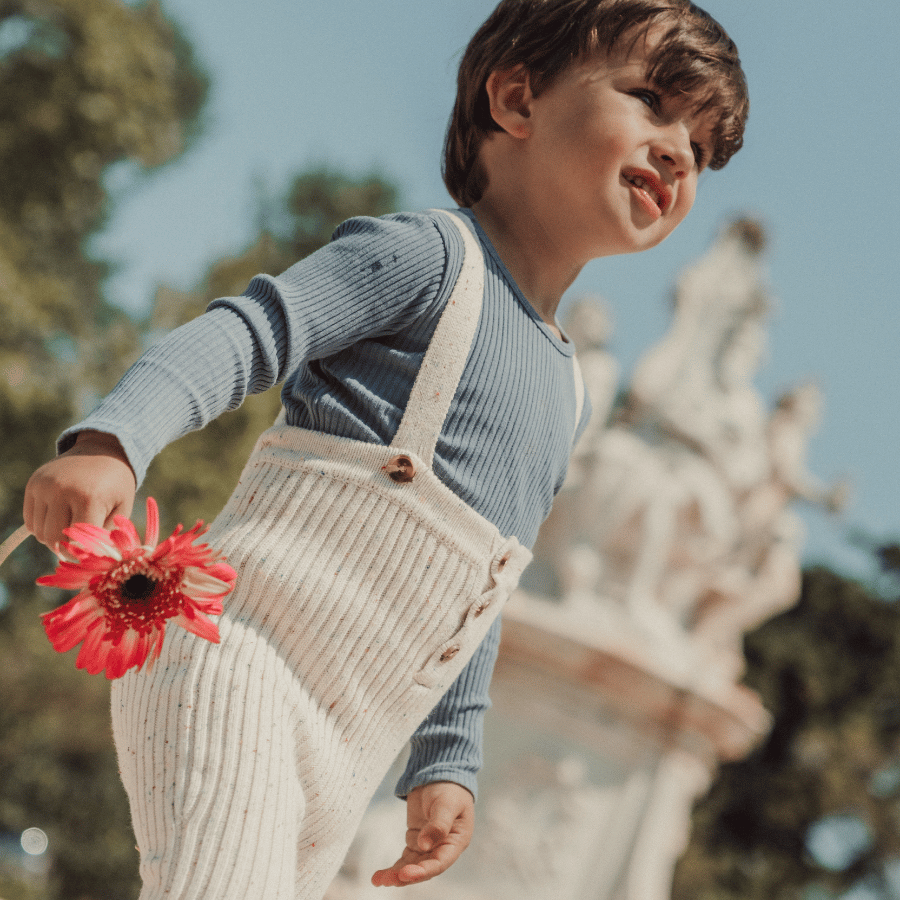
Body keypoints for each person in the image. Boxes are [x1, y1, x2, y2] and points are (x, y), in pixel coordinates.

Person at [23, 0, 748, 896]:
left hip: (348, 748)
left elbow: (479, 587)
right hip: (233, 660)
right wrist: (113, 438)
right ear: (517, 101)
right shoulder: (428, 260)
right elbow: (249, 334)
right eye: (649, 100)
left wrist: (448, 758)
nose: (679, 149)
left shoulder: (567, 394)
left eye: (704, 149)